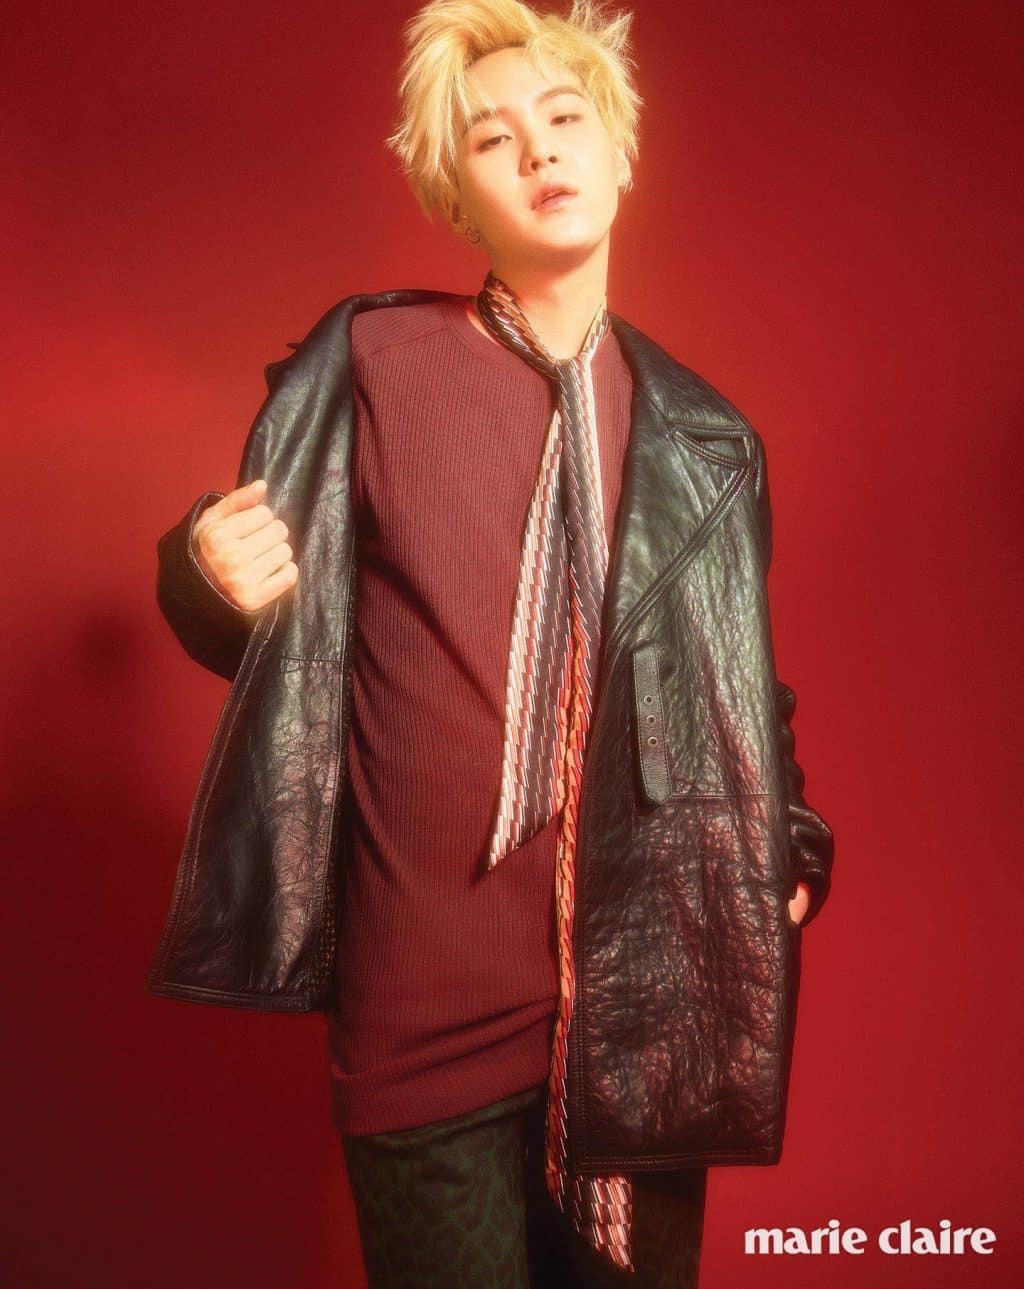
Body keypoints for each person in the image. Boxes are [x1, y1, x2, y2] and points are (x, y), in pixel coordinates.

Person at [147, 1, 835, 1285]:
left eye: (565, 118)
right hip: (423, 1006)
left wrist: (786, 851)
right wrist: (203, 575)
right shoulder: (373, 362)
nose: (538, 151)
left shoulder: (708, 439)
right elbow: (266, 620)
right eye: (490, 138)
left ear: (621, 152)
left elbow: (739, 686)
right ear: (452, 193)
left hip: (638, 1001)